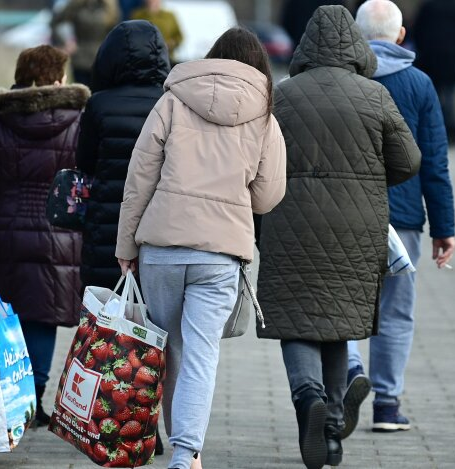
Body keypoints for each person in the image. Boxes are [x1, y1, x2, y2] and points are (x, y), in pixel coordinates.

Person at [116, 27, 287, 469]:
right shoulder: (265, 114)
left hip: (162, 248)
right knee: (200, 352)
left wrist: (126, 244)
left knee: (169, 348)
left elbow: (140, 180)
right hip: (221, 252)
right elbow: (267, 197)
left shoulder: (172, 99)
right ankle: (186, 453)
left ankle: (173, 442)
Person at [258, 6, 421, 468]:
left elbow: (258, 159)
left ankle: (307, 398)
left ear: (306, 47)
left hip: (288, 220)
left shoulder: (283, 96)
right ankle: (331, 426)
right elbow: (408, 160)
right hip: (358, 225)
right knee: (339, 324)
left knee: (296, 320)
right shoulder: (375, 96)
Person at [341, 0, 455, 440]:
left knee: (345, 303)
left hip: (349, 214)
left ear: (354, 34)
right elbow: (435, 163)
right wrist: (444, 227)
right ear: (401, 36)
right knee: (395, 314)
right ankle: (387, 405)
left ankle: (349, 369)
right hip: (404, 219)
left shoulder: (345, 79)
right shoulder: (420, 84)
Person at [0, 45, 89, 427]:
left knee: (9, 315)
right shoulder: (79, 119)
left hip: (6, 231)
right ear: (57, 78)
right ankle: (33, 400)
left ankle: (9, 397)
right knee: (43, 317)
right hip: (60, 235)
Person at [76, 20, 171, 291]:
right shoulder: (171, 102)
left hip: (107, 229)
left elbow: (84, 163)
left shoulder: (99, 104)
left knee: (107, 321)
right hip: (158, 227)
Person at [413, 0, 455, 146]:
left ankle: (434, 133)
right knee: (451, 96)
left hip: (430, 59)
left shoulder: (427, 7)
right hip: (452, 59)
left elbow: (417, 32)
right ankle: (452, 132)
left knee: (433, 97)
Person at [50, 0, 120, 86]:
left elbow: (116, 32)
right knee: (82, 95)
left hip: (102, 58)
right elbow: (56, 22)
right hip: (80, 59)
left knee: (100, 95)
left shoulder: (110, 6)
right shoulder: (76, 4)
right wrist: (66, 41)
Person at [281, 0, 346, 48]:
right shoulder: (336, 2)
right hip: (329, 51)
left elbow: (287, 24)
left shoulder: (295, 2)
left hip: (302, 48)